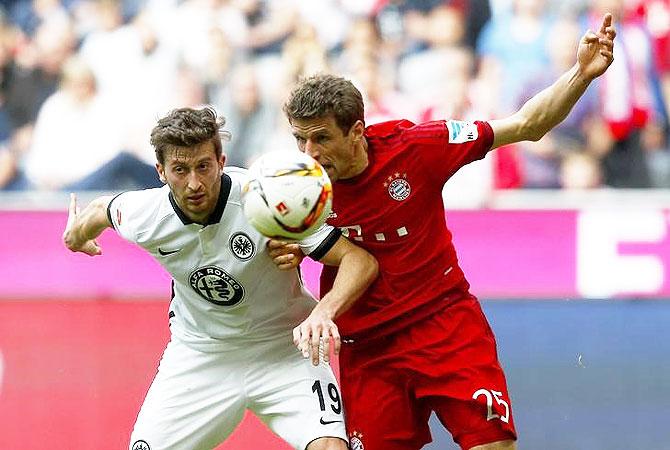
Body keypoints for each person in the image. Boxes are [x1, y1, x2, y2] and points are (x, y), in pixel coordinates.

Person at [281, 13, 617, 450]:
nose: (309, 153)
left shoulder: (419, 148)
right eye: (299, 139)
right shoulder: (294, 188)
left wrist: (581, 73)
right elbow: (279, 243)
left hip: (443, 326)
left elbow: (526, 125)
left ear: (357, 131)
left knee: (493, 446)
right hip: (369, 348)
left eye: (321, 138)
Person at [62, 106, 378, 450]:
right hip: (201, 355)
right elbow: (100, 212)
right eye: (180, 170)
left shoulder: (268, 198)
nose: (195, 183)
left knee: (331, 447)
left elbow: (358, 261)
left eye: (203, 166)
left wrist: (323, 312)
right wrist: (75, 238)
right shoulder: (146, 215)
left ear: (221, 161)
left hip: (283, 350)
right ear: (160, 172)